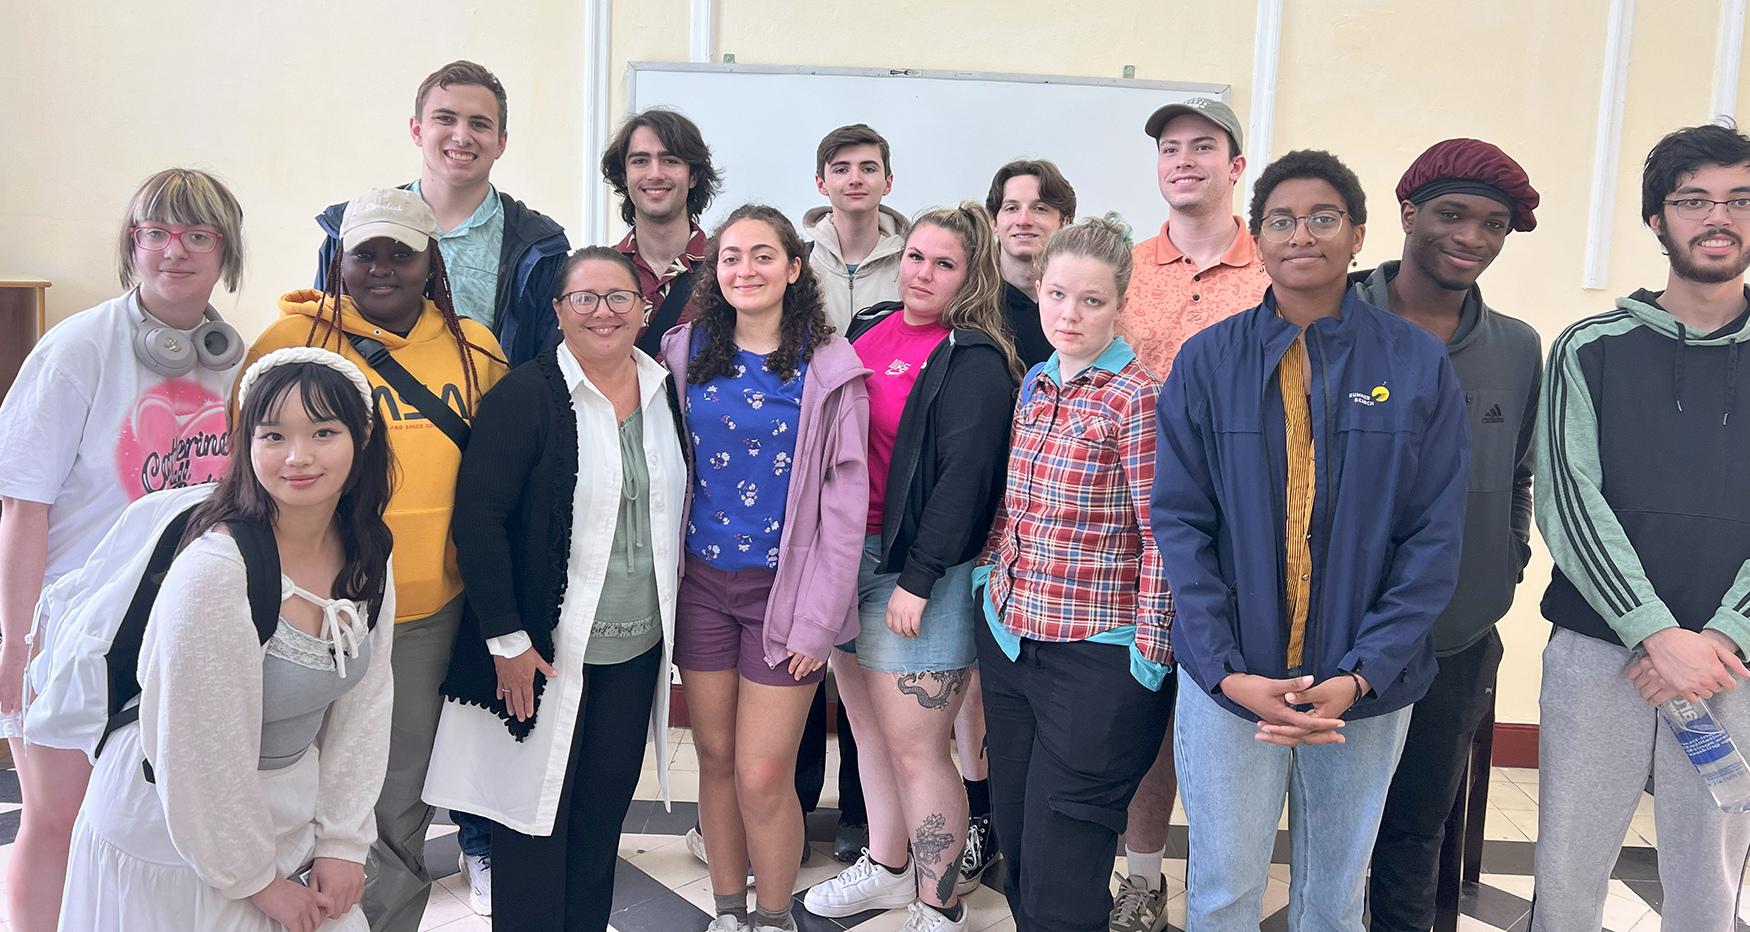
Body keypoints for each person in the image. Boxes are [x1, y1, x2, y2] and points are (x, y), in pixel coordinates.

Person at [1153, 150, 1469, 932]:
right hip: (1231, 683)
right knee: (1224, 886)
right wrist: (1227, 671)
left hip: (1364, 688)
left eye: (1323, 218)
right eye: (1281, 220)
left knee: (1334, 894)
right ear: (1256, 238)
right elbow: (1181, 524)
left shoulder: (1416, 363)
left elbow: (1433, 536)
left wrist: (1363, 674)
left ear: (1358, 235)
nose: (1303, 234)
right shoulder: (1207, 360)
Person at [58, 348, 397, 932]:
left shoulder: (367, 553)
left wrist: (344, 842)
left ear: (362, 437)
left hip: (276, 818)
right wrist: (257, 882)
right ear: (246, 446)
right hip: (175, 832)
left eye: (323, 432)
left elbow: (366, 704)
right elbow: (197, 748)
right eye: (273, 436)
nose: (298, 457)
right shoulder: (217, 569)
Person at [246, 186, 509, 932]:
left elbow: (499, 481)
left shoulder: (475, 348)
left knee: (393, 803)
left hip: (423, 616)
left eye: (403, 252)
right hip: (297, 611)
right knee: (285, 790)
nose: (383, 268)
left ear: (433, 261)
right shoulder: (290, 344)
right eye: (367, 253)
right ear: (341, 260)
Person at [0, 168, 246, 932]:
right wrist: (14, 639)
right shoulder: (77, 349)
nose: (176, 251)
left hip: (177, 620)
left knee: (148, 826)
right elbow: (22, 505)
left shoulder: (236, 361)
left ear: (225, 252)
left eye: (199, 235)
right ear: (131, 247)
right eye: (157, 233)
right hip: (70, 622)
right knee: (55, 817)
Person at [422, 247, 686, 931]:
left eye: (619, 297)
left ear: (645, 308)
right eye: (585, 299)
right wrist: (507, 640)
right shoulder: (526, 395)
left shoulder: (664, 390)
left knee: (599, 822)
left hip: (635, 650)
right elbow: (478, 521)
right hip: (543, 655)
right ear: (559, 311)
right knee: (532, 822)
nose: (603, 312)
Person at [1531, 122, 1750, 932]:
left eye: (1738, 200)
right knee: (1568, 878)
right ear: (1658, 219)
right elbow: (1568, 500)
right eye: (1693, 200)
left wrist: (1722, 638)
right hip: (1601, 652)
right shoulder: (1590, 348)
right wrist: (1657, 633)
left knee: (1709, 887)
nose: (1716, 217)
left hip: (1735, 663)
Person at [803, 203, 1019, 932]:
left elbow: (965, 479)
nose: (923, 273)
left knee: (919, 746)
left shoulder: (976, 358)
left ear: (972, 274)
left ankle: (940, 904)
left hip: (916, 574)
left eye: (944, 263)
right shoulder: (873, 327)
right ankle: (890, 870)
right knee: (867, 733)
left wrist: (920, 580)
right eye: (917, 257)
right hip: (846, 560)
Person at [660, 204, 869, 932]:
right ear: (713, 271)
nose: (744, 270)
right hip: (700, 590)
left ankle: (774, 916)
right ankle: (727, 910)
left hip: (787, 595)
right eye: (730, 257)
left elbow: (847, 512)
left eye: (761, 255)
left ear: (792, 267)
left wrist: (820, 619)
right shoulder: (684, 353)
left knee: (762, 774)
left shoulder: (830, 368)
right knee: (714, 760)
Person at [1356, 139, 1543, 932]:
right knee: (1322, 823)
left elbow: (1521, 473)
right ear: (1408, 213)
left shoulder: (1517, 347)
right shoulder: (1329, 315)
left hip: (1456, 636)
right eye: (1453, 214)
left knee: (1417, 827)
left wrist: (1505, 565)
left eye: (1493, 224)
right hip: (1332, 629)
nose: (1472, 237)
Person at [974, 214, 1172, 932]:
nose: (1070, 313)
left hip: (1098, 655)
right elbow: (1012, 501)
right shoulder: (1035, 380)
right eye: (1057, 294)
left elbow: (1163, 538)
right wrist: (987, 581)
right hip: (1013, 639)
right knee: (1022, 845)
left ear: (1120, 303)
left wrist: (1149, 656)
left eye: (1091, 300)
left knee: (1066, 861)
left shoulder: (1137, 398)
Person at [1108, 96, 1268, 932]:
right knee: (1141, 711)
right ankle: (1142, 879)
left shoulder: (1274, 271)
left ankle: (1224, 885)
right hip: (1126, 532)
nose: (1183, 161)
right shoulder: (1123, 271)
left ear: (1235, 166)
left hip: (1239, 536)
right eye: (1170, 148)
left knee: (1221, 718)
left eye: (1202, 147)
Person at [316, 61, 570, 369]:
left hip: (493, 415)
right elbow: (324, 340)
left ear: (501, 142)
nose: (462, 137)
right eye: (445, 119)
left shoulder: (539, 247)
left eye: (479, 124)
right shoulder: (352, 229)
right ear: (417, 130)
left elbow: (546, 366)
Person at [605, 108, 722, 357]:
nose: (655, 174)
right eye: (640, 161)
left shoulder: (727, 269)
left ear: (694, 176)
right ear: (624, 176)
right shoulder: (601, 274)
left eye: (670, 160)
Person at [804, 123, 910, 333]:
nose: (855, 180)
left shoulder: (914, 266)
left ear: (888, 183)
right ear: (820, 183)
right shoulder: (798, 266)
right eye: (841, 169)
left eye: (868, 169)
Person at [985, 159, 1076, 367]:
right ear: (994, 223)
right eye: (1011, 208)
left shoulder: (1078, 308)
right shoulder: (969, 304)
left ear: (1064, 223)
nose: (1024, 220)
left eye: (1040, 208)